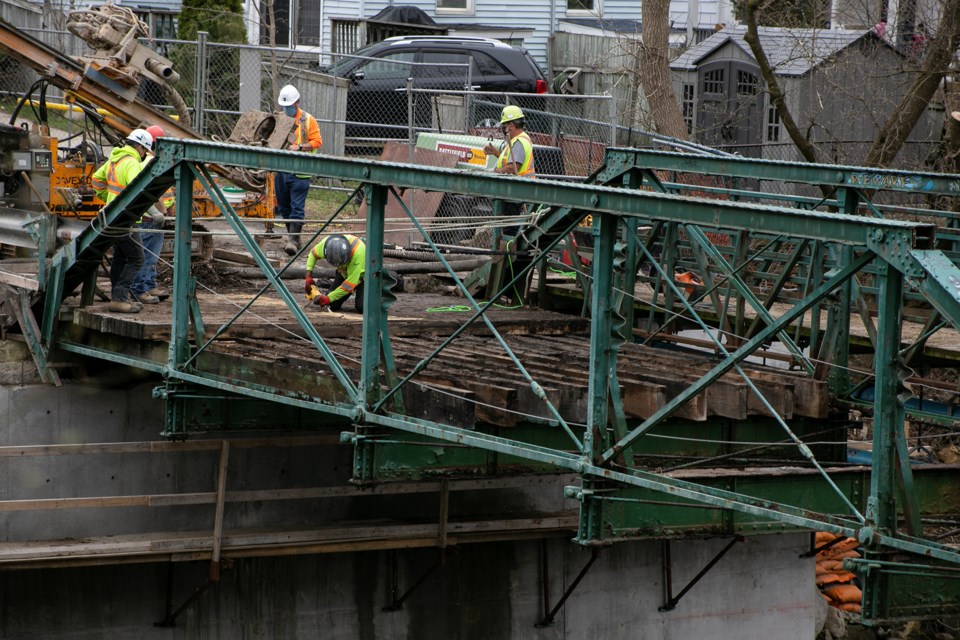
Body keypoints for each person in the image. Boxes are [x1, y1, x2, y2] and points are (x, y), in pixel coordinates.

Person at [90, 128, 155, 313]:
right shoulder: (132, 163)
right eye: (145, 150)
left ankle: (118, 297)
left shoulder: (114, 159)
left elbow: (96, 180)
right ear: (140, 147)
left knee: (120, 257)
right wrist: (154, 212)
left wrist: (108, 199)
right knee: (137, 258)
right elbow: (138, 191)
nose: (144, 154)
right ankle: (119, 298)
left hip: (112, 217)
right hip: (126, 219)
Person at [275, 84, 322, 256]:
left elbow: (317, 142)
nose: (286, 109)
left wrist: (300, 147)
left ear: (297, 103)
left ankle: (293, 241)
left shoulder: (308, 120)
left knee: (297, 207)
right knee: (284, 207)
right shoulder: (280, 119)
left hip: (300, 172)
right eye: (284, 106)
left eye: (289, 106)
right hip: (282, 170)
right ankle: (292, 237)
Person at [130, 124, 172, 304]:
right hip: (151, 217)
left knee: (151, 256)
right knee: (147, 255)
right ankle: (141, 288)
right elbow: (153, 192)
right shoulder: (150, 161)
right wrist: (162, 211)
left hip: (154, 217)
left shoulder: (152, 160)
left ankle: (148, 284)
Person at [482, 105, 536, 236]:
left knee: (510, 229)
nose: (503, 129)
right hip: (516, 191)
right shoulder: (518, 140)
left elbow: (514, 167)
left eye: (504, 125)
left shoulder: (519, 142)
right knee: (509, 225)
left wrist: (495, 172)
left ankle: (510, 251)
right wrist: (496, 152)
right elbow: (509, 160)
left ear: (511, 125)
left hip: (516, 191)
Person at [304, 234, 366, 312]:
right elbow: (313, 254)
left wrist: (328, 298)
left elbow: (350, 284)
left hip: (363, 276)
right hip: (344, 272)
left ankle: (377, 293)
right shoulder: (325, 246)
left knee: (363, 308)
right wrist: (308, 277)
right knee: (332, 305)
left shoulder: (358, 253)